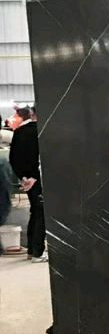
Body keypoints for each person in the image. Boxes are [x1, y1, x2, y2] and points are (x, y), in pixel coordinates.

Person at [9, 106, 46, 261]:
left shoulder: (19, 132)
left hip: (27, 180)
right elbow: (43, 157)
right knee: (41, 214)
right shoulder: (44, 131)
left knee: (35, 212)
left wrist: (23, 177)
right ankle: (37, 252)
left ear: (31, 113)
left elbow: (13, 157)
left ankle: (32, 249)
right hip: (39, 178)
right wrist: (34, 177)